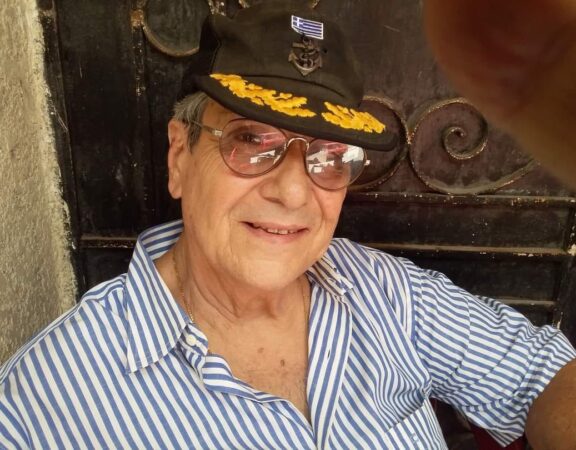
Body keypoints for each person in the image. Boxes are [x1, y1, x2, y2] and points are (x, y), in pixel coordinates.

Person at [1, 1, 575, 448]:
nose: (295, 191)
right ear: (180, 156)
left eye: (330, 155)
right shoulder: (42, 405)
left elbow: (540, 374)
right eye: (251, 140)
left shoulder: (386, 292)